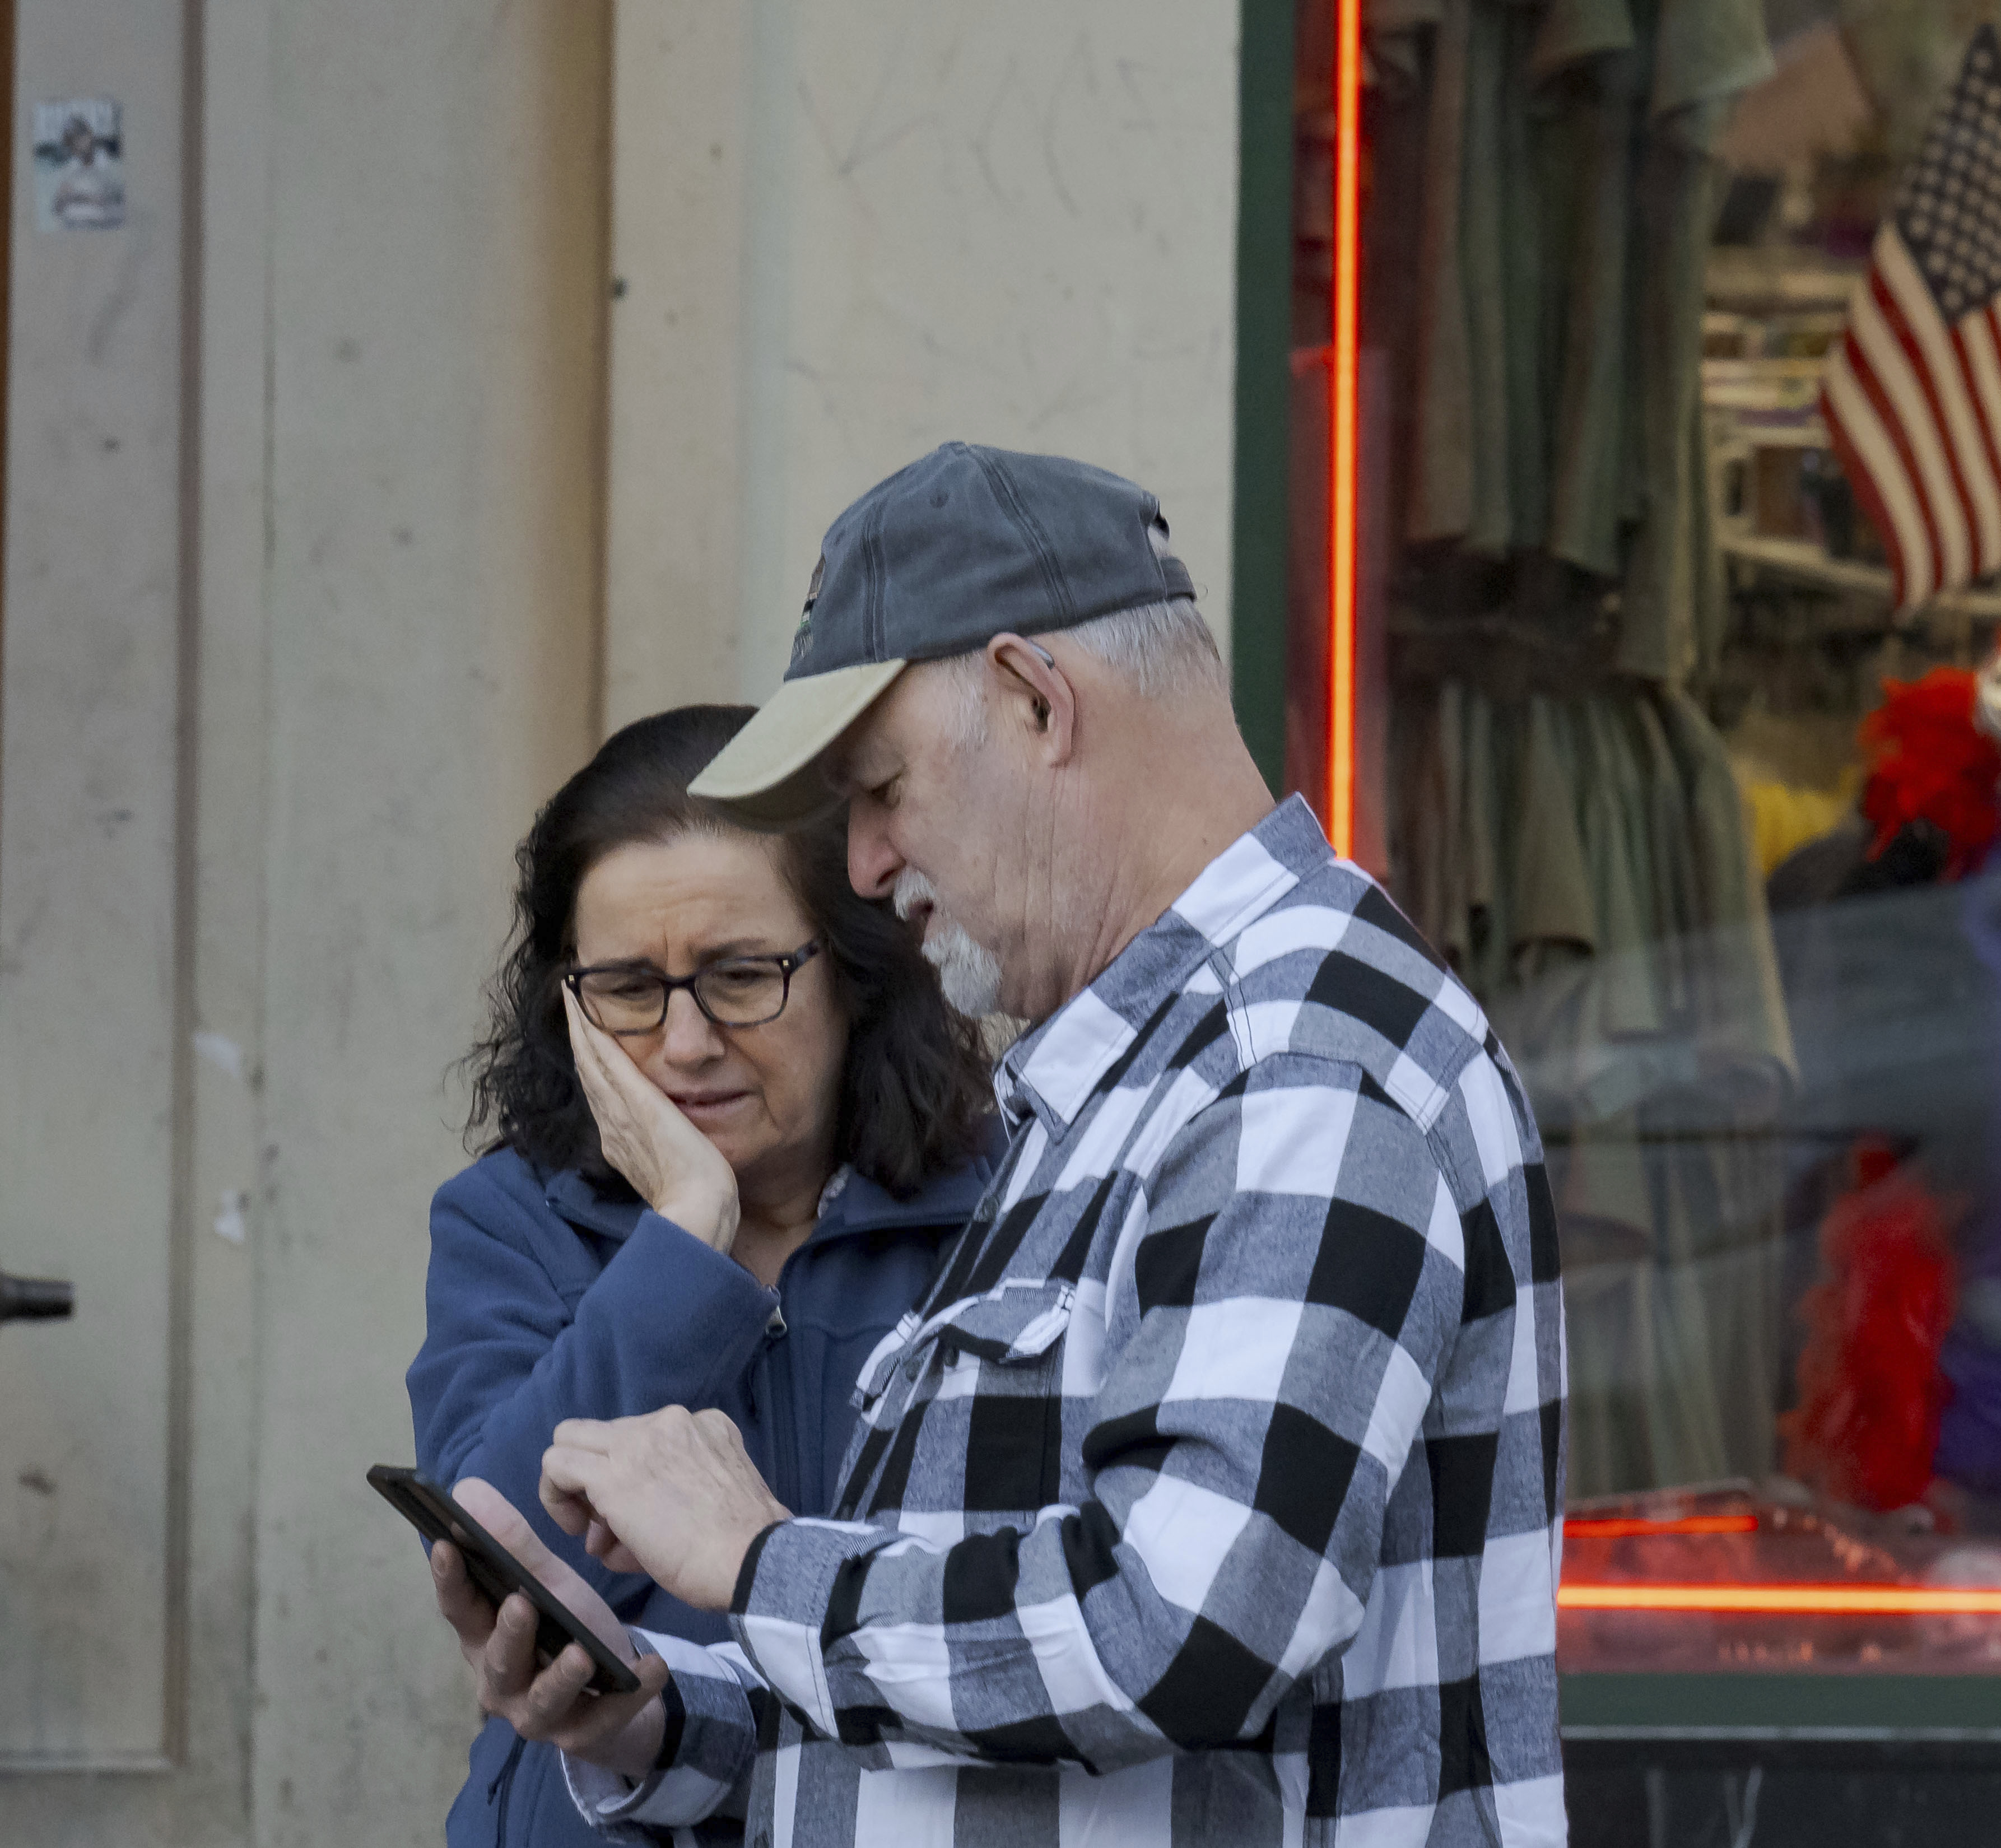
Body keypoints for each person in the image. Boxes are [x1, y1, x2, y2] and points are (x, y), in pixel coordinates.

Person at [423, 444, 1569, 1846]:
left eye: (882, 787)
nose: (862, 864)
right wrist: (663, 1721)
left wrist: (761, 1559)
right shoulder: (1159, 1064)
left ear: (1037, 702)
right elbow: (992, 1697)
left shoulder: (1296, 1060)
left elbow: (1186, 1629)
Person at [408, 704, 998, 1848]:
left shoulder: (1003, 1213)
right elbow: (494, 1555)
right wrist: (686, 1233)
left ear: (858, 972)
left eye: (738, 975)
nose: (683, 1046)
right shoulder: (511, 1224)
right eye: (626, 988)